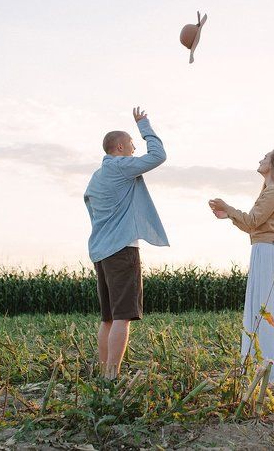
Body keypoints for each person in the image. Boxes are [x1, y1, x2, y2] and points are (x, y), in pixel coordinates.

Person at [84, 106, 168, 379]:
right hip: (122, 251)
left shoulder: (97, 177)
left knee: (107, 317)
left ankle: (104, 373)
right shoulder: (120, 167)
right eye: (131, 145)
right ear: (119, 147)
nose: (134, 150)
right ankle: (112, 376)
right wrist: (144, 126)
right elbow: (158, 156)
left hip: (101, 252)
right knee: (122, 316)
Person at [208, 149, 274, 385]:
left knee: (263, 310)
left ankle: (266, 371)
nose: (260, 160)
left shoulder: (273, 192)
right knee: (265, 311)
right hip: (264, 251)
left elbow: (251, 221)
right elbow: (253, 227)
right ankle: (265, 370)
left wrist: (228, 208)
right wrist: (229, 215)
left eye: (265, 157)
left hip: (267, 254)